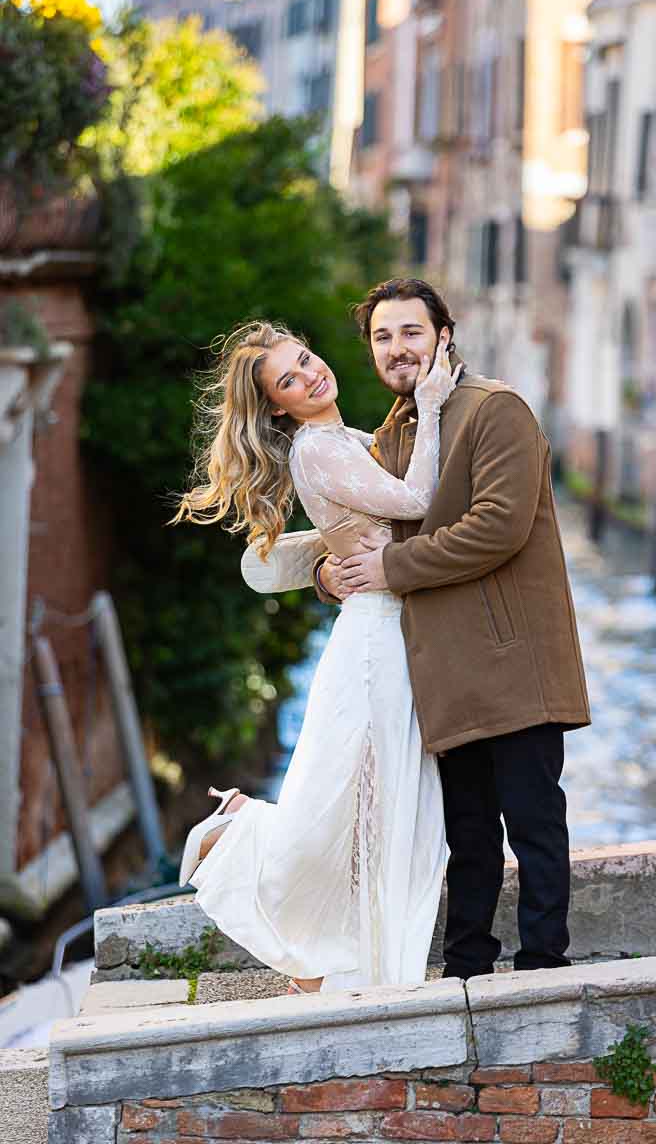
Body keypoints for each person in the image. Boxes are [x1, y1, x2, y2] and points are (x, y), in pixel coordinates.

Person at [260, 278, 591, 980]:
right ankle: (468, 968)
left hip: (513, 655)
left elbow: (495, 530)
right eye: (383, 337)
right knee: (466, 831)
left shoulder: (495, 410)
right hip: (441, 667)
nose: (397, 348)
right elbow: (365, 528)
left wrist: (390, 567)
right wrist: (328, 575)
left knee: (532, 823)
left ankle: (543, 972)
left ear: (444, 335)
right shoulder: (397, 428)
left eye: (411, 332)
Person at [172, 319, 459, 993]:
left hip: (393, 629)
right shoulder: (317, 450)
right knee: (352, 798)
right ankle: (243, 836)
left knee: (382, 799)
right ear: (278, 404)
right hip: (373, 641)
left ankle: (353, 957)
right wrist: (436, 403)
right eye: (289, 379)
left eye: (304, 359)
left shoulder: (342, 439)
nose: (310, 374)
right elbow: (418, 498)